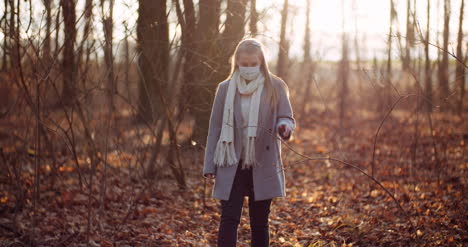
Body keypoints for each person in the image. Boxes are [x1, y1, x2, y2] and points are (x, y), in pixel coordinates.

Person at [202, 38, 295, 247]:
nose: (249, 68)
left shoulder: (275, 86)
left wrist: (284, 126)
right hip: (230, 162)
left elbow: (286, 116)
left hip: (262, 161)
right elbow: (215, 128)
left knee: (260, 222)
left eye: (254, 64)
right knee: (229, 219)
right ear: (237, 62)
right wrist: (210, 165)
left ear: (261, 62)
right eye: (245, 64)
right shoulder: (225, 88)